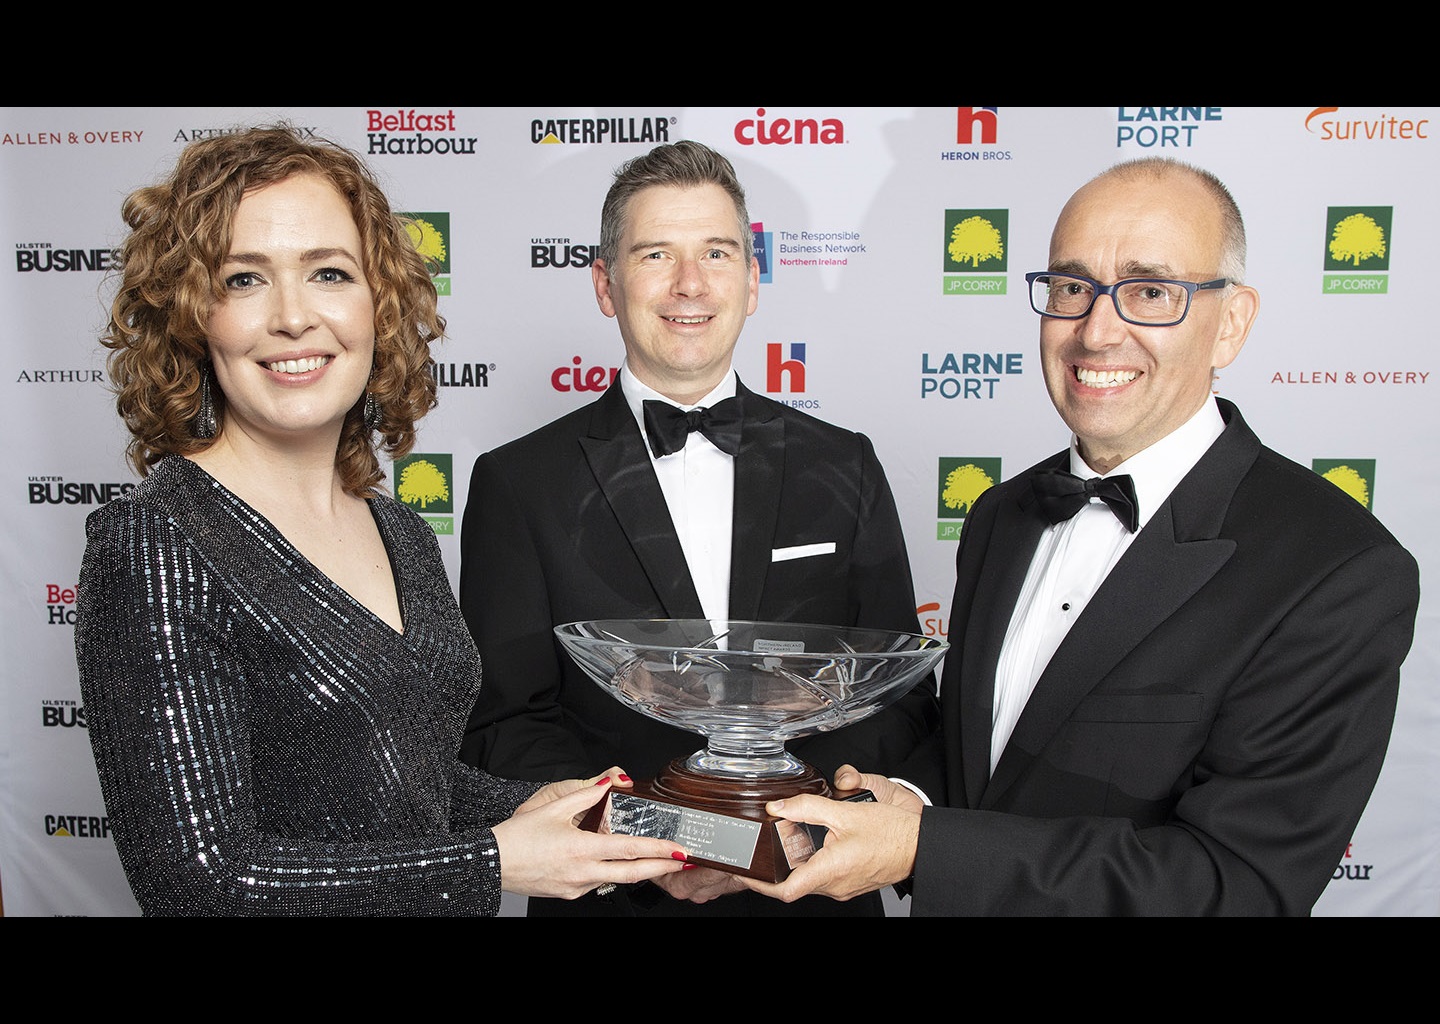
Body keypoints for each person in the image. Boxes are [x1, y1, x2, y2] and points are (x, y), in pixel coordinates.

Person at [743, 156, 1421, 916]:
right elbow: (988, 757)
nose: (1097, 331)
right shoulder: (1003, 514)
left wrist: (924, 848)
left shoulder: (1338, 571)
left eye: (1150, 292)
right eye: (1072, 288)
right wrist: (897, 797)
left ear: (1230, 323)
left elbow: (1239, 885)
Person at [74, 124, 692, 917]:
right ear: (191, 316)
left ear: (379, 304)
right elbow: (199, 881)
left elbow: (400, 785)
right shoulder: (157, 541)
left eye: (329, 273)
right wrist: (496, 858)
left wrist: (542, 806)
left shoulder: (397, 530)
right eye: (243, 280)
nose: (294, 318)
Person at [457, 139, 940, 917]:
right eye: (655, 254)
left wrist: (798, 828)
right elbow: (506, 717)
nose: (689, 284)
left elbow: (900, 698)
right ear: (606, 285)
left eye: (717, 253)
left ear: (752, 281)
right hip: (611, 892)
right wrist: (647, 836)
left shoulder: (844, 463)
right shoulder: (518, 482)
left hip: (810, 892)